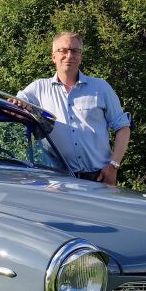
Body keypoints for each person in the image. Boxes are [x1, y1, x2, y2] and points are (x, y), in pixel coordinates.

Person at [17, 32, 131, 185]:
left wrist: (113, 166)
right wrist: (19, 105)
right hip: (58, 181)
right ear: (53, 57)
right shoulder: (38, 88)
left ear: (81, 57)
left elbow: (123, 127)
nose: (69, 55)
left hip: (99, 178)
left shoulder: (100, 87)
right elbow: (15, 105)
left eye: (75, 51)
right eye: (63, 50)